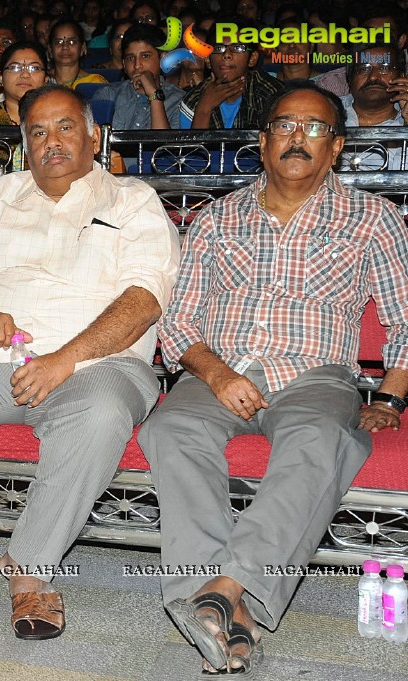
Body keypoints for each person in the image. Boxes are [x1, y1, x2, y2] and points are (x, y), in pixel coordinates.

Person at [139, 83, 408, 676]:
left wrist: (388, 396)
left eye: (314, 128)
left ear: (335, 146)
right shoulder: (217, 217)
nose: (297, 138)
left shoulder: (374, 220)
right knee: (169, 428)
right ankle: (230, 613)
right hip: (218, 375)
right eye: (284, 126)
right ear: (262, 143)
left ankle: (221, 591)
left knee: (318, 441)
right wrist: (215, 373)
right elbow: (179, 321)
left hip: (315, 377)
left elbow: (404, 318)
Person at [0, 83, 178, 640]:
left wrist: (63, 360)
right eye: (38, 131)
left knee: (96, 414)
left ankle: (31, 571)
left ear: (93, 135)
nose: (53, 141)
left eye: (66, 127)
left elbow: (144, 301)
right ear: (24, 143)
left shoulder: (132, 200)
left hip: (100, 364)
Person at [179, 19, 282, 129]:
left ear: (252, 58)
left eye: (237, 48)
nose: (227, 54)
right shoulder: (192, 100)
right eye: (219, 48)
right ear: (208, 60)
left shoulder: (273, 95)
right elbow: (194, 146)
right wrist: (204, 108)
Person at [91, 24, 184, 129]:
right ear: (124, 64)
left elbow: (164, 145)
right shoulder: (108, 95)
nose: (137, 65)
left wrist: (154, 96)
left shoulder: (179, 100)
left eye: (145, 56)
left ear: (162, 59)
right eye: (130, 58)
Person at [48, 19, 107, 89]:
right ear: (50, 50)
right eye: (59, 42)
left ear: (83, 48)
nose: (65, 47)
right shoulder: (42, 81)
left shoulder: (95, 83)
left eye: (72, 42)